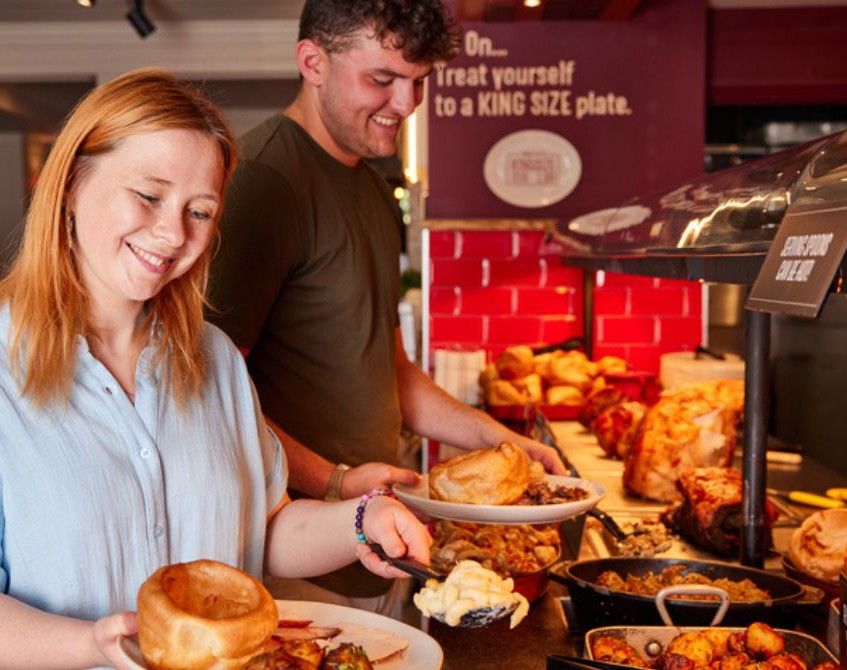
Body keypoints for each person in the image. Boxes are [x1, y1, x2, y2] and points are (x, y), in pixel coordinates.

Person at [0, 67, 430, 669]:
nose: (173, 233)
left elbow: (263, 528)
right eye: (149, 196)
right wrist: (91, 645)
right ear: (70, 182)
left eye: (200, 212)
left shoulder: (215, 360)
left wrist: (363, 521)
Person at [208, 0, 567, 612]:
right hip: (297, 566)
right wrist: (337, 480)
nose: (406, 104)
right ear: (312, 62)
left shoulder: (374, 190)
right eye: (383, 79)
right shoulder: (263, 182)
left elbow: (393, 372)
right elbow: (211, 391)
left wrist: (508, 444)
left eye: (418, 82)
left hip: (380, 546)